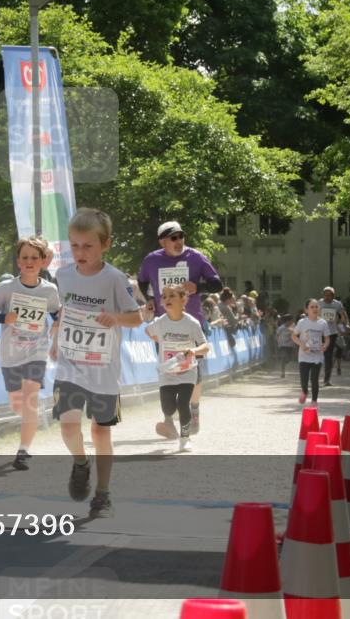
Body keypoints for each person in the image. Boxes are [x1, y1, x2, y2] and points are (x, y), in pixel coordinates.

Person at [50, 208, 142, 518]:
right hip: (70, 364)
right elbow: (64, 312)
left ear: (105, 245)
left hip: (104, 370)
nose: (80, 252)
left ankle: (102, 495)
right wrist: (54, 340)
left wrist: (115, 318)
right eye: (74, 245)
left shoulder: (115, 279)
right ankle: (80, 463)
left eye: (88, 246)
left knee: (101, 433)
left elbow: (136, 317)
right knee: (67, 425)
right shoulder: (62, 275)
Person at [0, 237, 60, 470]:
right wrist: (4, 318)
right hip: (10, 353)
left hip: (37, 351)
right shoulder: (6, 288)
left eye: (34, 258)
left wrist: (55, 343)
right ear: (18, 261)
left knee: (30, 399)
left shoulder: (50, 290)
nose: (29, 262)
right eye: (25, 258)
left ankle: (23, 450)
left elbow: (58, 316)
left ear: (42, 262)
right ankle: (28, 418)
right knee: (18, 403)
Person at [137, 221, 222, 430]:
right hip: (164, 324)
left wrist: (199, 286)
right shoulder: (152, 260)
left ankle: (194, 409)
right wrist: (149, 298)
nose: (179, 241)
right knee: (168, 370)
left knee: (194, 371)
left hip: (191, 320)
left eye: (181, 236)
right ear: (162, 241)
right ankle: (169, 420)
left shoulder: (195, 257)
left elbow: (217, 284)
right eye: (173, 238)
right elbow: (141, 281)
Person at [145, 285, 210, 451]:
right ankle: (173, 422)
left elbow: (205, 346)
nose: (167, 299)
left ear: (183, 299)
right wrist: (160, 340)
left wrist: (193, 351)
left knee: (183, 404)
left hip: (187, 371)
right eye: (164, 296)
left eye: (172, 295)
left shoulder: (191, 323)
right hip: (167, 371)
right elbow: (147, 331)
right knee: (168, 408)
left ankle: (185, 438)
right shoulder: (160, 322)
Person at [293, 299, 331, 404]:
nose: (314, 309)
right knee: (303, 381)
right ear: (306, 310)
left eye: (316, 307)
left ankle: (314, 401)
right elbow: (294, 336)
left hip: (317, 356)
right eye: (312, 307)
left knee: (315, 380)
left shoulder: (323, 323)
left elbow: (327, 338)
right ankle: (304, 391)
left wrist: (325, 346)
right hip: (304, 356)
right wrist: (302, 344)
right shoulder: (302, 322)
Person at [318, 286, 348, 385]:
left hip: (332, 333)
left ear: (333, 296)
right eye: (325, 295)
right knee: (317, 355)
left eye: (329, 295)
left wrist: (343, 323)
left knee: (328, 356)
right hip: (319, 333)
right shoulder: (319, 303)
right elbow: (314, 315)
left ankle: (327, 379)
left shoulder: (337, 304)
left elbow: (343, 316)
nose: (327, 297)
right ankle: (314, 375)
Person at [276, 314, 296, 378]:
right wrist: (278, 342)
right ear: (287, 321)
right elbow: (277, 335)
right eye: (291, 321)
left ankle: (284, 363)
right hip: (283, 345)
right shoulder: (281, 328)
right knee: (283, 358)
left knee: (289, 359)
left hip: (290, 346)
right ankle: (283, 372)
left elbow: (296, 334)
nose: (292, 322)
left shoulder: (293, 327)